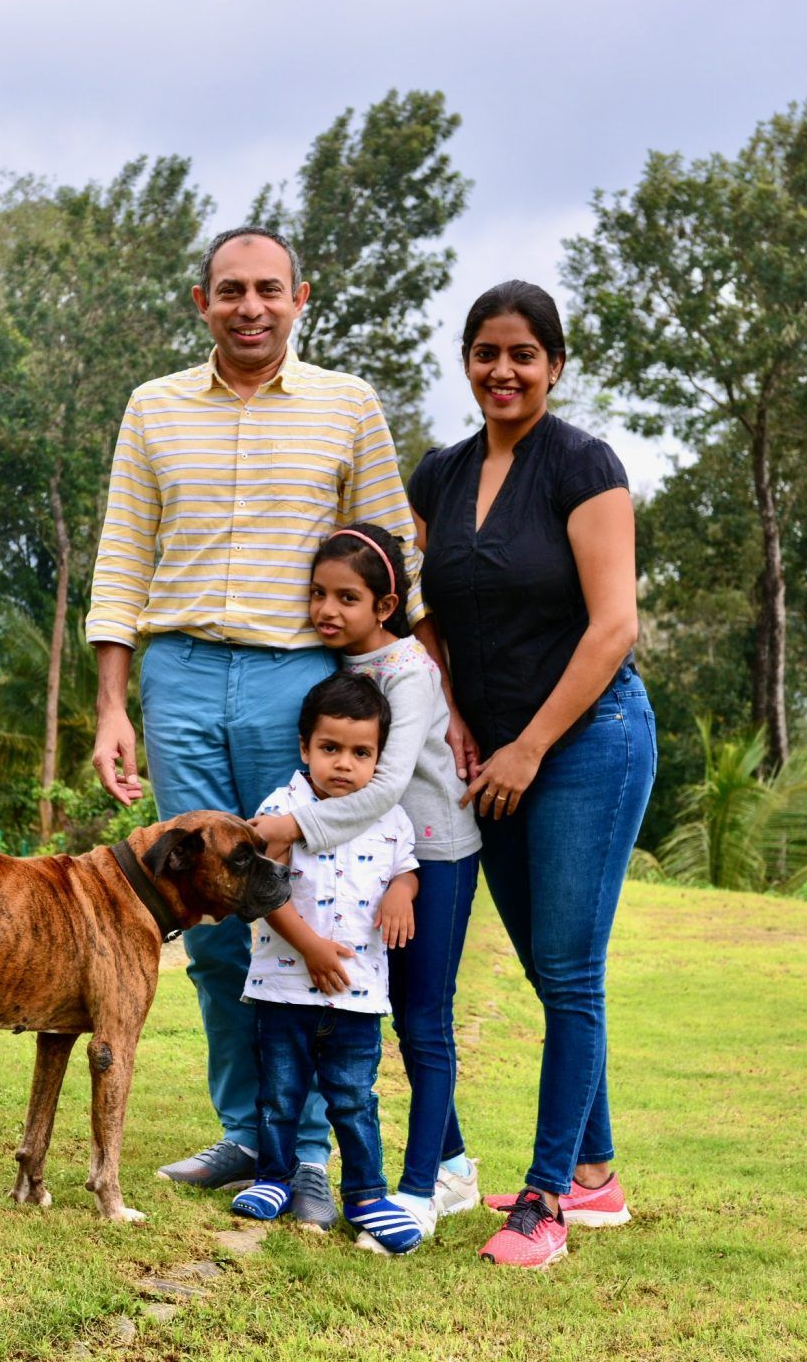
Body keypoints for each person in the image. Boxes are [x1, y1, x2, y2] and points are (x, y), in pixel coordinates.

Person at [84, 225, 428, 1228]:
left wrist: (407, 691)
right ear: (202, 303)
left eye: (267, 290)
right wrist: (113, 703)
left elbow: (388, 557)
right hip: (182, 674)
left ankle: (311, 1153)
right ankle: (248, 1130)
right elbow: (120, 557)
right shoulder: (153, 408)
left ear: (299, 297)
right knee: (205, 915)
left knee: (308, 902)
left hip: (302, 684)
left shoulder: (346, 406)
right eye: (229, 290)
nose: (249, 306)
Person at [405, 280, 654, 1269]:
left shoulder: (581, 464)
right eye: (484, 352)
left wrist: (529, 745)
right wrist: (461, 721)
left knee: (565, 970)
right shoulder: (437, 473)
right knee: (550, 969)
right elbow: (421, 611)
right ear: (465, 361)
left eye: (522, 354)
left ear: (554, 364)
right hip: (490, 750)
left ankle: (547, 1200)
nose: (501, 370)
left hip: (584, 740)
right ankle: (594, 1175)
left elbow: (613, 626)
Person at [249, 522, 483, 1239]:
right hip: (374, 862)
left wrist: (292, 829)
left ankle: (418, 1187)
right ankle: (453, 1160)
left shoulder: (408, 671)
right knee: (388, 1015)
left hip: (430, 852)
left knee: (422, 1021)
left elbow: (384, 789)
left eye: (346, 597)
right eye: (318, 593)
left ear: (384, 605)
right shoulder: (339, 663)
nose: (327, 609)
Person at [228, 671, 424, 1254]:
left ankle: (367, 1194)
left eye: (361, 752)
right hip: (283, 989)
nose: (344, 764)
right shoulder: (278, 811)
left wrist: (401, 892)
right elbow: (262, 894)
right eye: (330, 748)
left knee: (355, 1099)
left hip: (358, 996)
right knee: (280, 1094)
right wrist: (310, 947)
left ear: (379, 757)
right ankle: (274, 1178)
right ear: (304, 748)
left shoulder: (389, 816)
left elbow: (407, 870)